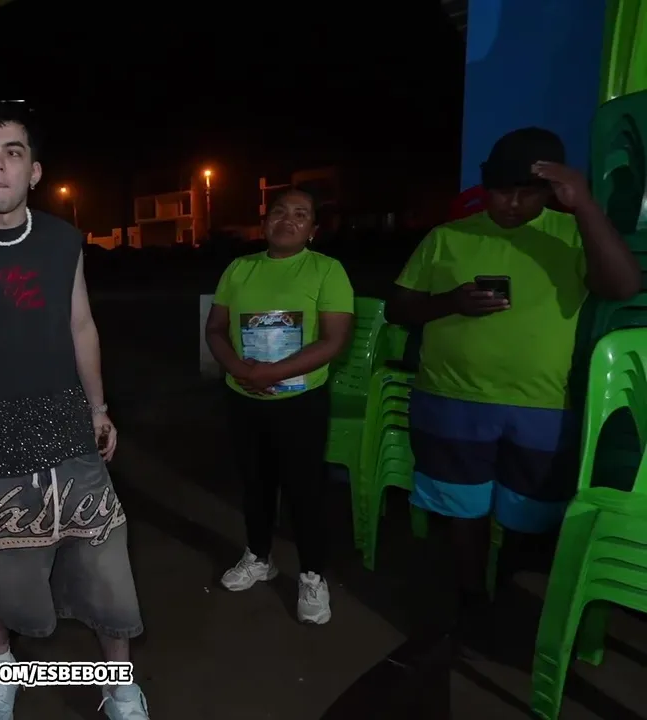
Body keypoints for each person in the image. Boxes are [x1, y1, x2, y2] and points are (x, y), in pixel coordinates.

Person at [0, 101, 149, 720]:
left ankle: (119, 686)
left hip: (69, 433)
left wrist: (99, 407)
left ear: (33, 171)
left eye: (12, 153)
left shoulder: (64, 242)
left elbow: (81, 326)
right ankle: (0, 670)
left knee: (106, 571)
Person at [385, 127, 640, 638]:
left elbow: (623, 285)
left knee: (528, 514)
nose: (512, 204)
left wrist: (585, 205)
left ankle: (508, 588)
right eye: (502, 191)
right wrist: (451, 302)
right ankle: (471, 598)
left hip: (541, 405)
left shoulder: (572, 233)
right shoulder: (448, 237)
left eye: (528, 192)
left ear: (551, 192)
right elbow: (399, 307)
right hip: (451, 399)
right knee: (463, 513)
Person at [204, 188, 355, 624]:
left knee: (304, 490)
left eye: (300, 214)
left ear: (313, 229)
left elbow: (334, 340)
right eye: (279, 212)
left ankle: (312, 575)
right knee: (255, 483)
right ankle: (258, 556)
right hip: (244, 397)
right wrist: (241, 370)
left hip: (299, 402)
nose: (288, 220)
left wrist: (274, 373)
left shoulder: (327, 270)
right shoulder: (240, 268)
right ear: (265, 221)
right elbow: (215, 329)